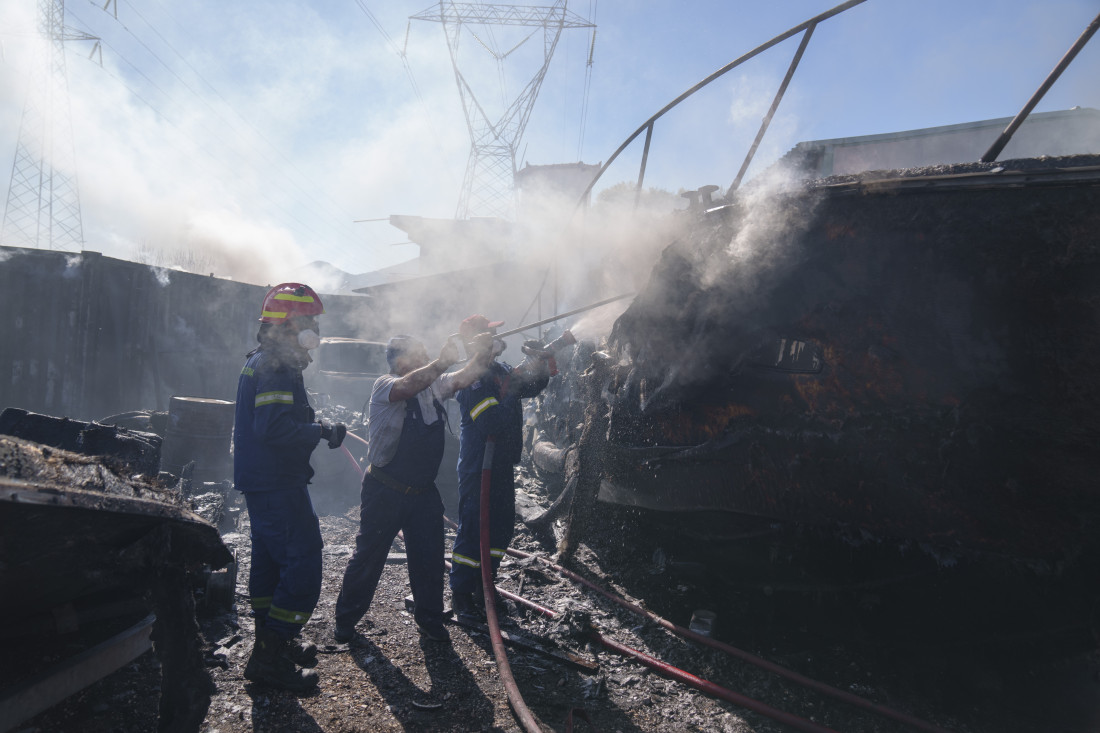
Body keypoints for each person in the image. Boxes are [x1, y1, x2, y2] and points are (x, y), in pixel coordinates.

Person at [334, 333, 490, 644]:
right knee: (368, 557)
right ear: (400, 360)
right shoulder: (385, 385)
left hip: (423, 493)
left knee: (429, 559)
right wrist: (442, 362)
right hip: (385, 489)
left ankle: (430, 621)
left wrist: (484, 353)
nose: (425, 359)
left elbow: (463, 378)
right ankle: (345, 621)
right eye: (418, 355)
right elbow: (408, 386)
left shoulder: (432, 386)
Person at [233, 282, 347, 693]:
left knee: (269, 564)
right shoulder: (277, 364)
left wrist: (317, 424)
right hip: (277, 483)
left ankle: (270, 644)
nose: (314, 329)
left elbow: (274, 418)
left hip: (262, 481)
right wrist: (319, 430)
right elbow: (274, 426)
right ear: (289, 323)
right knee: (303, 563)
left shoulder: (262, 359)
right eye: (309, 321)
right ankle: (270, 655)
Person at [449, 314, 566, 619]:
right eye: (489, 335)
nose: (496, 339)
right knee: (474, 526)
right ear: (476, 342)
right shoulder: (471, 379)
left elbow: (531, 386)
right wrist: (510, 389)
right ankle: (461, 593)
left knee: (500, 528)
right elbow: (490, 421)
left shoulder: (500, 371)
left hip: (500, 466)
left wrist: (541, 362)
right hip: (479, 467)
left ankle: (485, 585)